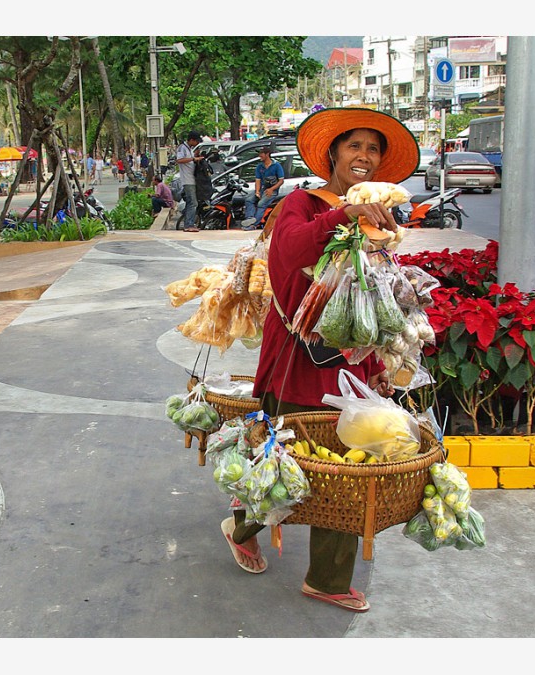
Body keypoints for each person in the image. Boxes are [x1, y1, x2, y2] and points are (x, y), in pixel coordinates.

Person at [220, 107, 419, 613]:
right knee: (282, 467)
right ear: (333, 153)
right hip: (297, 361)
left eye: (373, 150)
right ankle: (242, 526)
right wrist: (343, 216)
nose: (364, 157)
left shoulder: (379, 220)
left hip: (349, 369)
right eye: (355, 146)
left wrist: (381, 364)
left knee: (346, 476)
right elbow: (287, 253)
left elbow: (376, 296)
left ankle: (328, 579)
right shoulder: (303, 205)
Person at [241, 145, 285, 230]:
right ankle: (250, 219)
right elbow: (258, 180)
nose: (259, 156)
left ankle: (253, 225)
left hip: (273, 191)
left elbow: (281, 181)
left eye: (261, 154)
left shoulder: (276, 165)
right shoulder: (259, 167)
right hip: (262, 189)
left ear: (267, 154)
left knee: (261, 204)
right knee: (249, 199)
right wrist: (257, 192)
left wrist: (271, 189)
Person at [176, 130, 205, 232]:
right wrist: (193, 159)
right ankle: (189, 224)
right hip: (187, 180)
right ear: (191, 140)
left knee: (190, 203)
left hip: (192, 179)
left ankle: (188, 223)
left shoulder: (189, 149)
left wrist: (195, 156)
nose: (197, 143)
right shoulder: (182, 148)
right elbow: (179, 160)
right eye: (196, 141)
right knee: (193, 203)